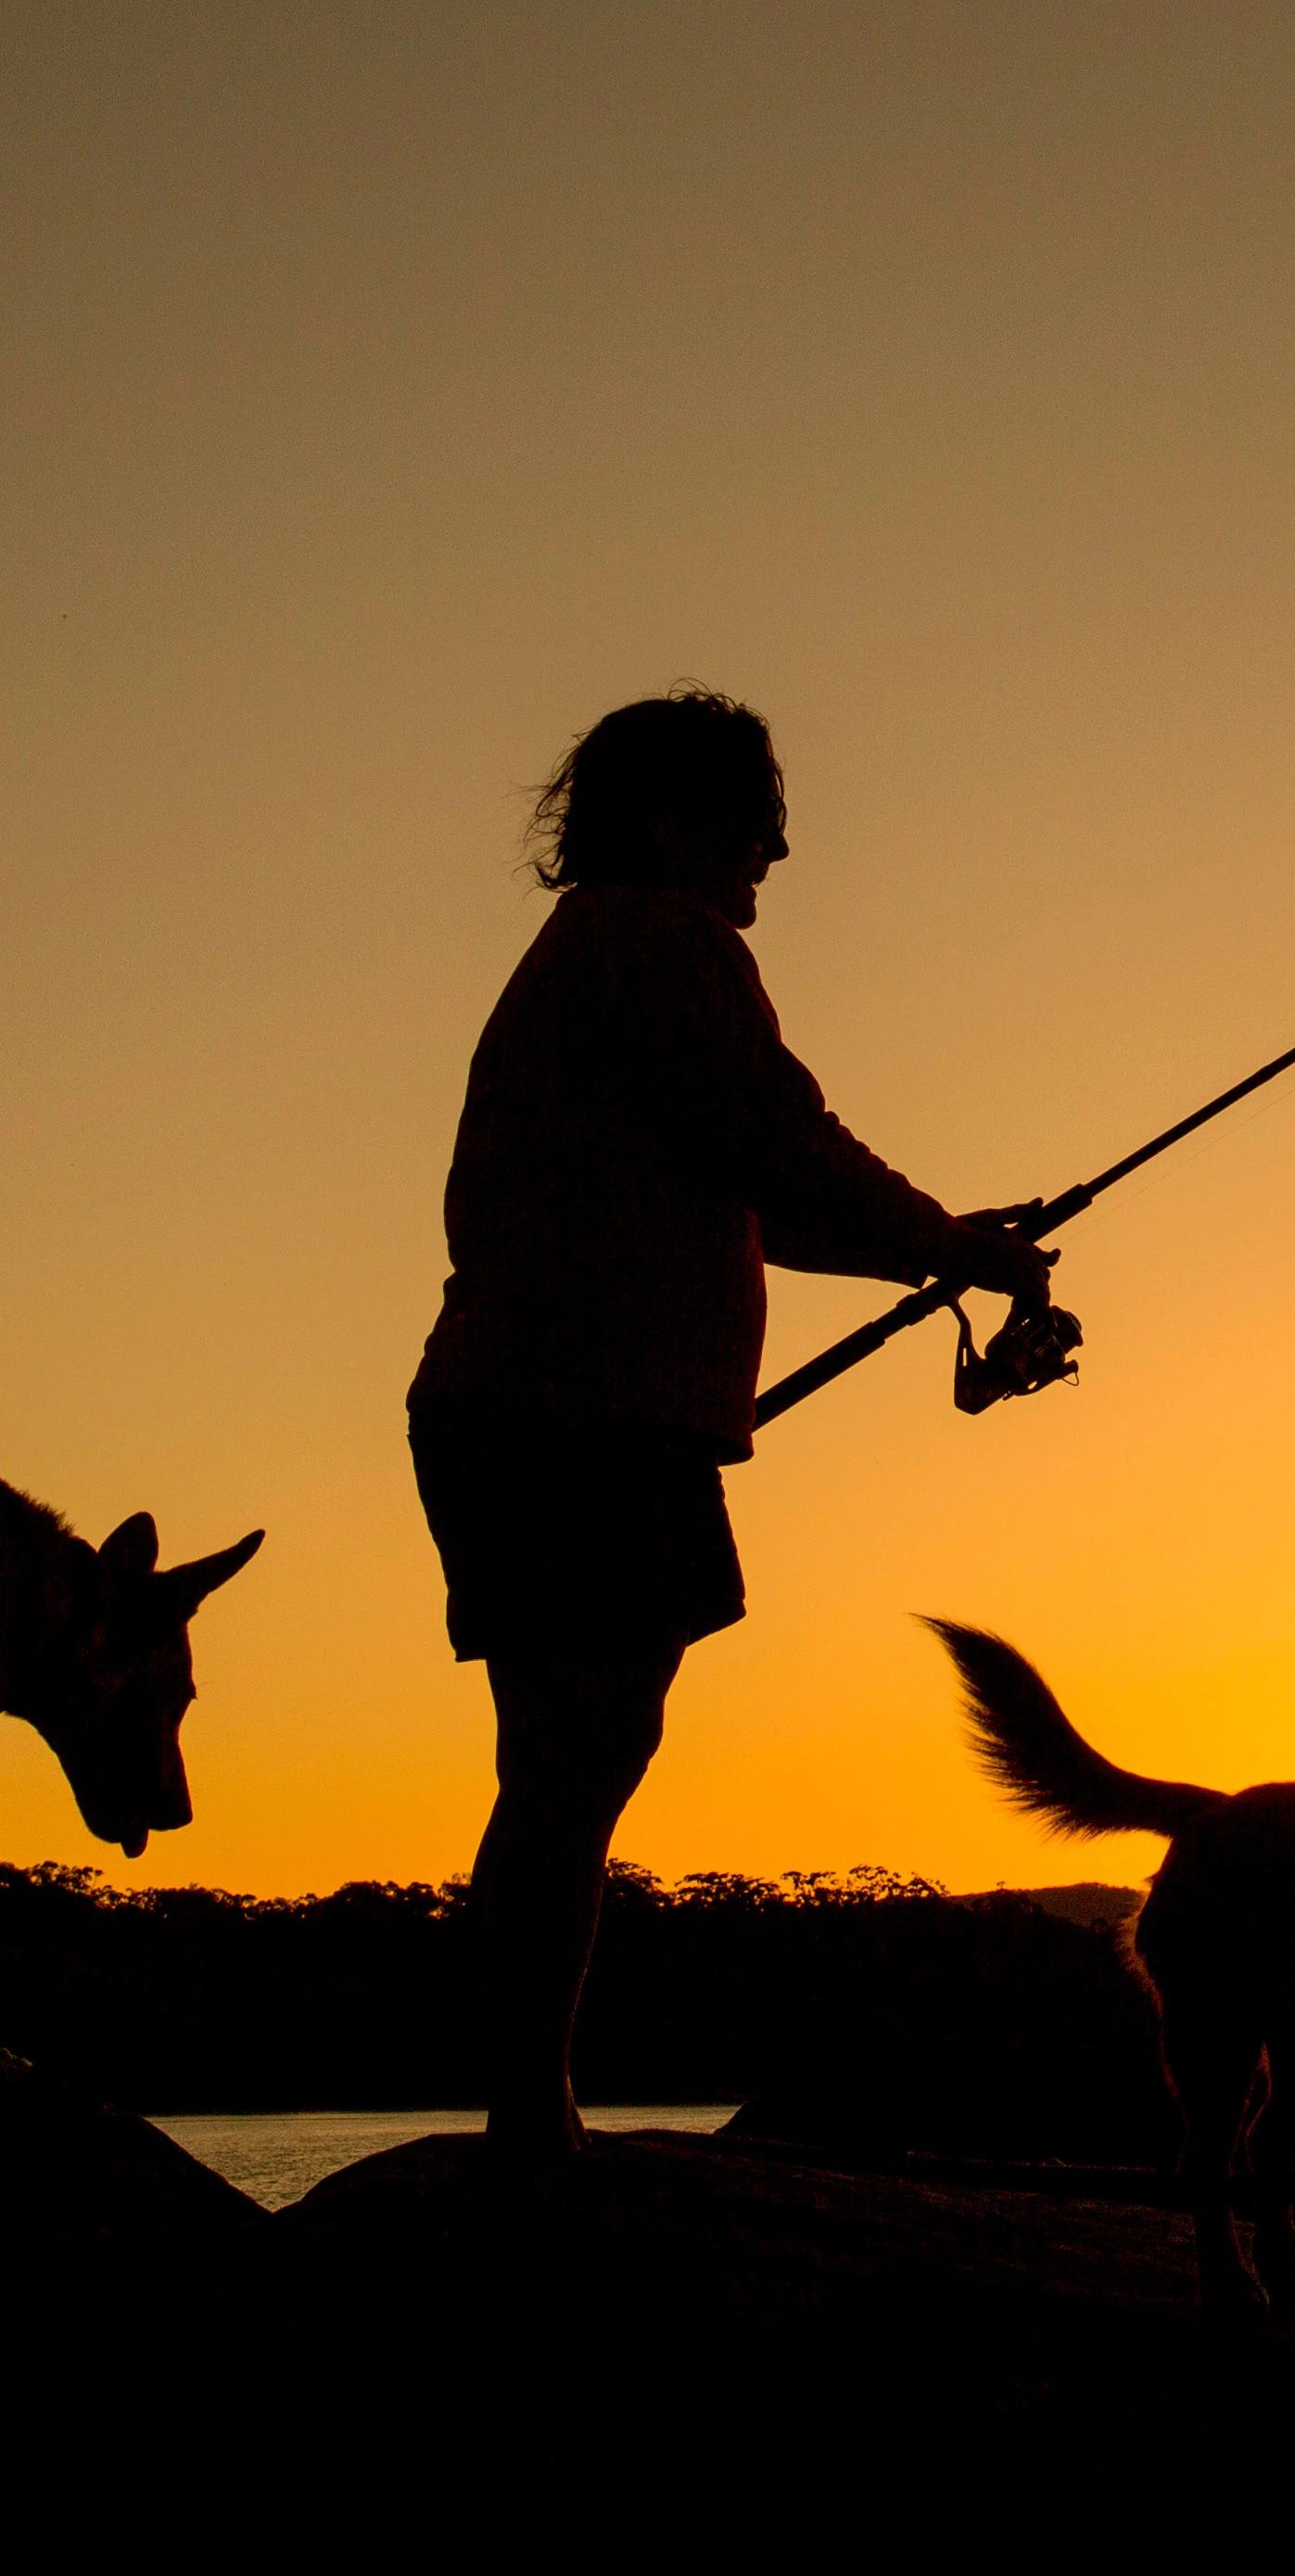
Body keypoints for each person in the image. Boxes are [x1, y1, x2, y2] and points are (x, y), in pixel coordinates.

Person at [408, 688, 1053, 2165]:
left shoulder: (583, 961)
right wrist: (953, 1246)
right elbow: (783, 1143)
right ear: (668, 819)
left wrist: (940, 1243)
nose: (777, 846)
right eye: (753, 815)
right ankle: (529, 2117)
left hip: (509, 1407)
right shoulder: (666, 946)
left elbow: (744, 1194)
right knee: (578, 1763)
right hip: (578, 1421)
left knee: (558, 1762)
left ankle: (522, 2102)